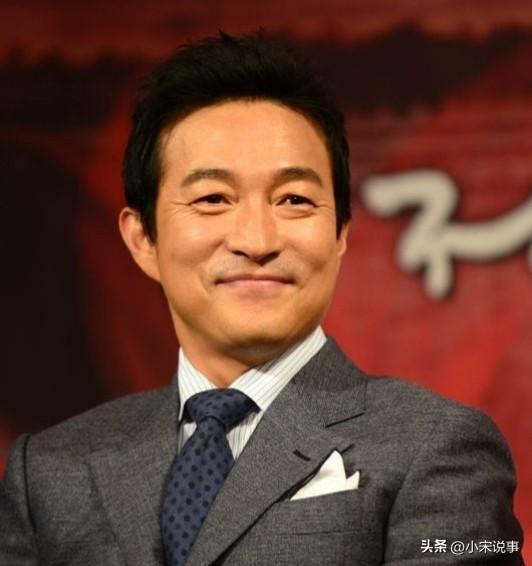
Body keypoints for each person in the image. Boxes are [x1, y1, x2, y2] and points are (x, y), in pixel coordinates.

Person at [0, 31, 524, 566]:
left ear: (340, 233)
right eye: (212, 198)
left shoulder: (439, 445)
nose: (256, 240)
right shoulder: (48, 472)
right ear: (142, 239)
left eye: (294, 199)